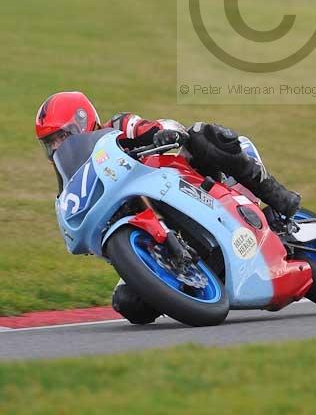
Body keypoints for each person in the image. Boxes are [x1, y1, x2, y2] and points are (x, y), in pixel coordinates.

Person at [36, 91, 301, 324]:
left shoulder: (118, 127)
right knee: (128, 303)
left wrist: (163, 132)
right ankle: (193, 281)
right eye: (51, 143)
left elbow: (158, 126)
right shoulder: (74, 183)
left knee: (203, 135)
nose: (58, 146)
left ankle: (276, 196)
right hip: (156, 226)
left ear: (83, 121)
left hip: (192, 182)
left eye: (62, 135)